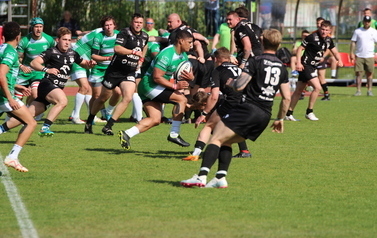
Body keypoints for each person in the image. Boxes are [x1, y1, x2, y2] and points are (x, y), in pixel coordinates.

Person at [180, 29, 291, 188]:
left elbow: (239, 86)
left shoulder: (256, 60)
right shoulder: (282, 67)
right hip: (265, 115)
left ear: (261, 41)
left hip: (248, 109)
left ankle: (201, 176)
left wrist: (231, 82)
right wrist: (280, 118)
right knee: (226, 142)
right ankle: (220, 178)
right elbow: (287, 98)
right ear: (279, 44)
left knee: (215, 138)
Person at [4, 27, 96, 137]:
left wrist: (89, 63)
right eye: (64, 39)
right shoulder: (51, 52)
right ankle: (45, 127)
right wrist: (47, 70)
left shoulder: (73, 53)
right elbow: (34, 63)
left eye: (69, 40)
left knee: (27, 116)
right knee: (62, 101)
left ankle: (2, 128)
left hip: (55, 88)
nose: (67, 43)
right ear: (58, 40)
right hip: (47, 84)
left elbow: (83, 63)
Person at [118, 30, 195, 150]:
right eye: (189, 42)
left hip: (154, 86)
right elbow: (157, 77)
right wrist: (175, 86)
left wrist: (191, 77)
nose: (191, 45)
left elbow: (184, 74)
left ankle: (127, 134)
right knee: (181, 100)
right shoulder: (167, 55)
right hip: (150, 85)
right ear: (181, 41)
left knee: (155, 119)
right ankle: (174, 134)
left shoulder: (183, 55)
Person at [84, 13, 148, 135]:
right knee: (102, 98)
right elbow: (117, 49)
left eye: (140, 22)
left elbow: (145, 47)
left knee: (128, 97)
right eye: (136, 22)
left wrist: (141, 59)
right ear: (131, 22)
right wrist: (133, 52)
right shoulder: (124, 33)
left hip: (129, 72)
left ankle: (108, 126)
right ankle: (90, 120)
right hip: (115, 71)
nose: (138, 24)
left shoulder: (145, 36)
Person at [182, 47, 249, 161]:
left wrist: (203, 114)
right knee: (233, 126)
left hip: (231, 101)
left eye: (214, 59)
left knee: (209, 125)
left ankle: (196, 154)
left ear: (217, 59)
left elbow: (214, 96)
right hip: (245, 102)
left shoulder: (217, 71)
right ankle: (244, 151)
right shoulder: (239, 69)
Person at [285, 20, 343, 121]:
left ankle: (288, 113)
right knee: (317, 87)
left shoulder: (329, 40)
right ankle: (309, 112)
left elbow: (335, 52)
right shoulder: (312, 37)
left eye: (326, 30)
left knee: (298, 91)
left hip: (313, 66)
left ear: (329, 30)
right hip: (306, 66)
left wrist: (340, 60)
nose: (324, 31)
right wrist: (298, 62)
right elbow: (300, 49)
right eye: (322, 29)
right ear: (319, 28)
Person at [0, 22, 37, 172]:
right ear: (18, 37)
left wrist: (17, 86)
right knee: (31, 123)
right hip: (4, 98)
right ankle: (12, 157)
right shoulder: (10, 52)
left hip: (4, 94)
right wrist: (10, 98)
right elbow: (1, 75)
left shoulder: (2, 48)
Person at [88, 15, 121, 126]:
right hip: (99, 69)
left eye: (111, 25)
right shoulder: (98, 37)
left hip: (112, 70)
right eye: (106, 25)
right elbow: (94, 56)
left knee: (118, 93)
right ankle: (91, 117)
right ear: (103, 27)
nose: (108, 27)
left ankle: (108, 112)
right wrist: (107, 58)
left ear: (114, 25)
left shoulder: (119, 35)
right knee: (97, 96)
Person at [15, 17, 55, 108]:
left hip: (39, 72)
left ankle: (28, 112)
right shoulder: (25, 41)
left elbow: (55, 53)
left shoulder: (49, 40)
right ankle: (13, 116)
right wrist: (21, 66)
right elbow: (16, 58)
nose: (39, 29)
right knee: (17, 98)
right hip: (25, 71)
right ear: (32, 27)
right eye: (36, 26)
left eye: (40, 26)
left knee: (35, 94)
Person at [68, 27, 103, 124]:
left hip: (87, 61)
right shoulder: (101, 33)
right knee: (84, 87)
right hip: (77, 58)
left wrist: (82, 33)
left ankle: (92, 116)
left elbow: (89, 32)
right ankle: (75, 117)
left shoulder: (101, 32)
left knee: (89, 90)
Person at [350, 16, 377, 96]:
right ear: (363, 22)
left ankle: (369, 90)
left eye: (368, 21)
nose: (367, 23)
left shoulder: (374, 31)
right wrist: (351, 53)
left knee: (369, 73)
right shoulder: (358, 31)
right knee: (359, 73)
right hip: (359, 55)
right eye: (365, 21)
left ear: (370, 22)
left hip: (370, 55)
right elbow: (353, 42)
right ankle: (358, 90)